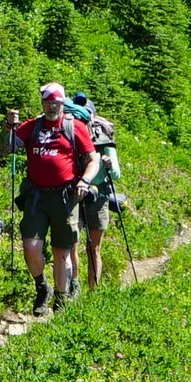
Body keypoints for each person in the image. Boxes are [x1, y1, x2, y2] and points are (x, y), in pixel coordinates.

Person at [6, 82, 99, 313]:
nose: (51, 107)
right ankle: (42, 287)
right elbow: (5, 149)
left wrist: (85, 181)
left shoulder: (74, 127)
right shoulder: (31, 127)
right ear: (42, 103)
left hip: (66, 196)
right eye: (47, 102)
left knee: (62, 250)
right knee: (30, 245)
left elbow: (92, 159)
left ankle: (60, 299)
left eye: (55, 103)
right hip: (36, 194)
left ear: (62, 103)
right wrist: (9, 126)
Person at [79, 108, 122, 292]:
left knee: (93, 248)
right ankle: (75, 290)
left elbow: (116, 174)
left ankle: (92, 291)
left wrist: (109, 165)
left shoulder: (103, 139)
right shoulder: (70, 133)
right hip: (76, 193)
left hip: (98, 196)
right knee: (72, 246)